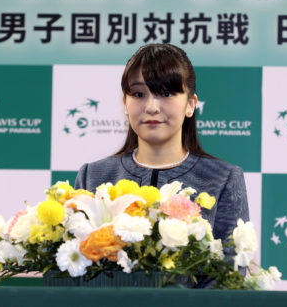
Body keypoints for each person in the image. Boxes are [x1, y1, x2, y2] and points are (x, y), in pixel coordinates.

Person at [75, 43, 249, 244]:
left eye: (165, 93)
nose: (151, 107)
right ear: (125, 103)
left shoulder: (222, 178)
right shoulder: (93, 176)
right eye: (139, 95)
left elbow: (230, 269)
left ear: (191, 104)